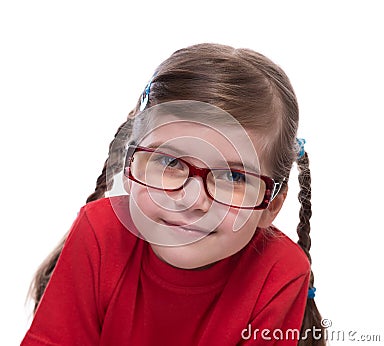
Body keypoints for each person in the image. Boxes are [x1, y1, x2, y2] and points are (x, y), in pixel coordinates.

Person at [21, 43, 325, 345]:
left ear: (271, 206)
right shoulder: (100, 232)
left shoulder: (279, 273)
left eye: (233, 176)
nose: (192, 200)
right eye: (171, 162)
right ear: (131, 165)